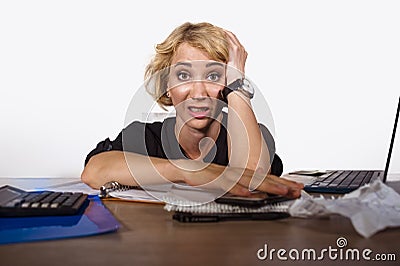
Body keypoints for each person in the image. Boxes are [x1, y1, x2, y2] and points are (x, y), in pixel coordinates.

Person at [81, 22, 303, 198]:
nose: (198, 93)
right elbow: (94, 171)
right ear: (167, 85)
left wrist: (238, 85)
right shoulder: (146, 138)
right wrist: (186, 169)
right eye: (184, 75)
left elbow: (253, 180)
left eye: (214, 76)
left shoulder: (254, 136)